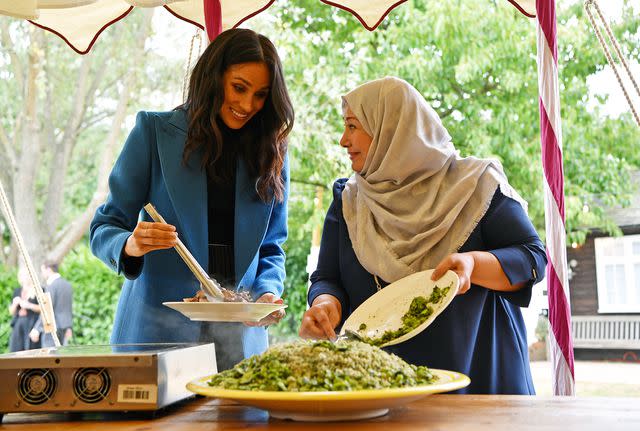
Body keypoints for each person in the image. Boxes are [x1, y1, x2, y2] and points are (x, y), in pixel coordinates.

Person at [299, 77, 547, 394]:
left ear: (393, 129)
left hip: (479, 381)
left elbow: (533, 259)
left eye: (352, 126)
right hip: (382, 389)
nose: (342, 140)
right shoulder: (349, 201)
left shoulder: (475, 186)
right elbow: (327, 277)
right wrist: (326, 304)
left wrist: (474, 263)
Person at [90, 28, 293, 370]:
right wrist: (130, 244)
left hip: (241, 342)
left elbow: (272, 248)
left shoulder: (272, 152)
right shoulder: (153, 133)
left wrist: (267, 293)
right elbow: (104, 227)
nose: (247, 105)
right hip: (155, 337)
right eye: (239, 88)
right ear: (214, 79)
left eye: (260, 95)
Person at [29, 261, 73, 347]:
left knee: (50, 357)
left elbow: (47, 308)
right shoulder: (67, 285)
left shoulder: (51, 285)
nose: (42, 274)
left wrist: (37, 328)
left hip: (52, 327)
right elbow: (68, 308)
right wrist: (69, 327)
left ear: (48, 269)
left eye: (43, 270)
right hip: (65, 326)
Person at [8, 268, 41, 352]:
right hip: (19, 322)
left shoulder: (37, 290)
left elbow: (42, 309)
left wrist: (29, 305)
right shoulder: (17, 290)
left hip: (32, 322)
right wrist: (15, 304)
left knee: (30, 347)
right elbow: (11, 312)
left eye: (25, 275)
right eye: (21, 275)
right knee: (16, 347)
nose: (23, 278)